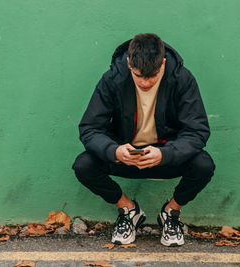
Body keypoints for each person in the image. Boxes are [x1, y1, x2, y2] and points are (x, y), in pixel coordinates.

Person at [72, 33, 215, 247]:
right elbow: (90, 128)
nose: (145, 82)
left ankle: (171, 212)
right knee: (84, 165)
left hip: (165, 158)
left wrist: (165, 154)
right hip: (125, 156)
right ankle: (129, 210)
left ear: (163, 63)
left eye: (152, 76)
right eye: (139, 76)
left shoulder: (181, 79)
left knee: (204, 165)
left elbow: (198, 131)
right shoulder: (113, 79)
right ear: (129, 63)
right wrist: (114, 151)